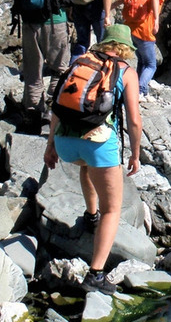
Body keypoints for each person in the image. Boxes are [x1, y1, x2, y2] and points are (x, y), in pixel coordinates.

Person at [43, 24, 142, 295]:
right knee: (113, 209)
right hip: (97, 143)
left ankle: (89, 216)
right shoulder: (126, 71)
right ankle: (96, 274)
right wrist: (135, 153)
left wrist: (50, 145)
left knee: (86, 168)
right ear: (125, 49)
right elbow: (133, 119)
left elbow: (58, 106)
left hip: (65, 144)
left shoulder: (81, 63)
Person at [11, 0, 89, 130]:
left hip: (29, 22)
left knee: (32, 71)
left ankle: (31, 113)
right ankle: (53, 106)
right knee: (60, 68)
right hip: (55, 21)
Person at [117, 0, 171, 101]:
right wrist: (156, 20)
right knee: (151, 64)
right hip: (144, 30)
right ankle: (139, 91)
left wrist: (110, 8)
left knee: (142, 61)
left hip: (131, 27)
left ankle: (139, 89)